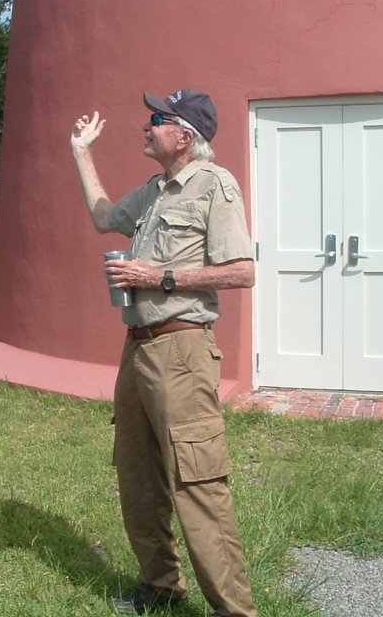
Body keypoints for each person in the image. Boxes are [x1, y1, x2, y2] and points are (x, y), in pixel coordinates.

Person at [70, 88, 258, 617]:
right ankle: (161, 586)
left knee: (197, 481)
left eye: (157, 118)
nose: (146, 125)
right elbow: (105, 217)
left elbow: (242, 271)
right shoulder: (155, 192)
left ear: (184, 135)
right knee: (137, 472)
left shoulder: (214, 186)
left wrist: (158, 276)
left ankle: (235, 610)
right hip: (138, 350)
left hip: (182, 348)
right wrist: (81, 152)